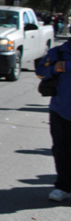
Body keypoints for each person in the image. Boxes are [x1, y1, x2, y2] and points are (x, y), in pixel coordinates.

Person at [36, 40, 71, 201]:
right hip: (61, 110)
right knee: (61, 149)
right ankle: (63, 186)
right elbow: (40, 71)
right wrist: (55, 69)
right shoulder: (59, 52)